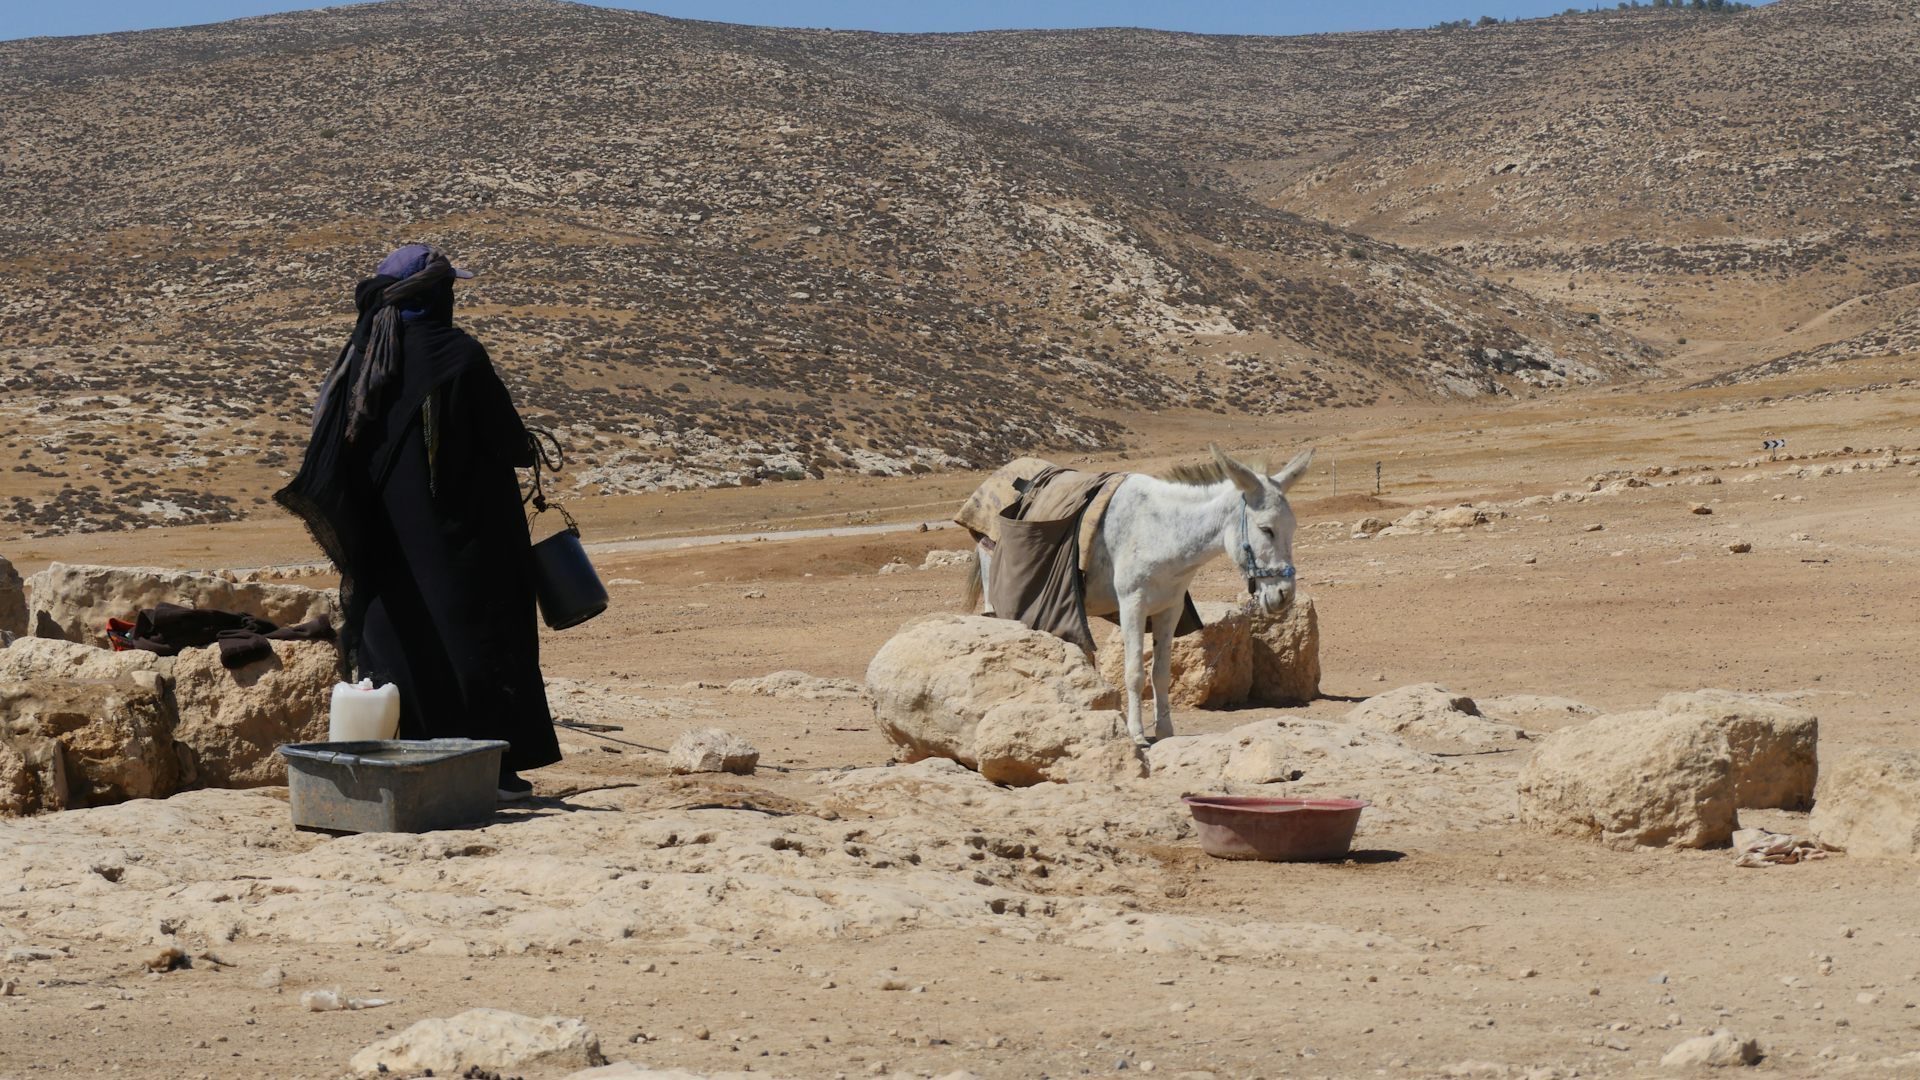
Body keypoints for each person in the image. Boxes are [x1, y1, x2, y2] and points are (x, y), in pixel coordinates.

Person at [276, 243, 559, 800]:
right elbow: (507, 441)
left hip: (387, 542)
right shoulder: (457, 355)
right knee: (482, 641)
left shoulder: (361, 357)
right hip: (467, 541)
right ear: (435, 297)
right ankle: (492, 770)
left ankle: (406, 765)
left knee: (400, 646)